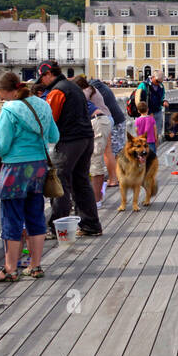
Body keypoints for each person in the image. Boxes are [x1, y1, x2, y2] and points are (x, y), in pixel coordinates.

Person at [0, 72, 60, 281]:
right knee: (35, 216)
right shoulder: (43, 104)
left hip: (15, 169)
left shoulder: (9, 110)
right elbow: (54, 136)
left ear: (7, 90)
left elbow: (1, 146)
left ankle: (10, 269)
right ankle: (35, 266)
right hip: (38, 167)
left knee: (12, 218)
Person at [38, 61, 102, 237]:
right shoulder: (73, 87)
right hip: (86, 137)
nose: (41, 81)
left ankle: (57, 227)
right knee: (81, 180)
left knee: (59, 181)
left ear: (48, 74)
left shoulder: (57, 91)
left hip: (70, 140)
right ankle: (90, 224)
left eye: (42, 77)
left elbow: (51, 119)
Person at [74, 76, 112, 208]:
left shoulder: (83, 93)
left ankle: (96, 200)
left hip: (98, 122)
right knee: (93, 160)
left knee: (96, 161)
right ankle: (95, 197)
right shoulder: (86, 91)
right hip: (100, 121)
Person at [90, 78, 126, 188]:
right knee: (119, 151)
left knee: (109, 151)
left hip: (112, 121)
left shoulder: (95, 90)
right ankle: (121, 176)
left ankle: (114, 178)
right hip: (120, 119)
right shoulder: (105, 88)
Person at [137, 74, 168, 140]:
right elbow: (140, 100)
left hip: (158, 111)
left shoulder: (161, 86)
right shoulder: (143, 85)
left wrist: (164, 102)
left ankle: (155, 147)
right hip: (147, 113)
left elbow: (162, 98)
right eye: (157, 81)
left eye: (160, 82)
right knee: (147, 133)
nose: (158, 83)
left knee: (157, 131)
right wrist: (148, 112)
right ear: (153, 77)